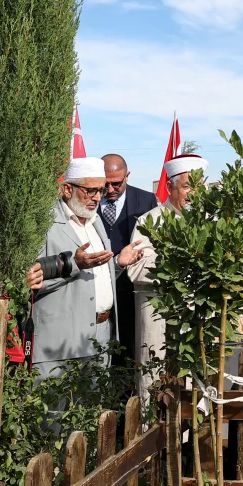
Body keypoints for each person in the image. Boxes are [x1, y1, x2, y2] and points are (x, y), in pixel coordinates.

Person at [121, 154, 208, 403]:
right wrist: (177, 264)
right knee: (153, 390)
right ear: (170, 187)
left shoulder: (210, 222)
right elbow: (135, 269)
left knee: (196, 394)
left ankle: (191, 442)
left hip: (197, 325)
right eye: (187, 186)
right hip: (157, 323)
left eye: (200, 186)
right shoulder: (149, 221)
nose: (194, 194)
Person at [29, 157, 119, 379]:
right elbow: (30, 281)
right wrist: (74, 264)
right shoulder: (44, 223)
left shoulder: (95, 221)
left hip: (100, 337)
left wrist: (118, 264)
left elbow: (95, 275)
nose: (98, 197)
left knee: (94, 411)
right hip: (59, 343)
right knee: (55, 412)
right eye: (90, 190)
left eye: (101, 190)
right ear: (68, 189)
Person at [96, 152, 159, 364]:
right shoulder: (90, 200)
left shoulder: (146, 201)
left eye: (116, 184)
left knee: (131, 347)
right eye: (106, 185)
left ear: (127, 176)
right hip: (98, 289)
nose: (110, 190)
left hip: (132, 291)